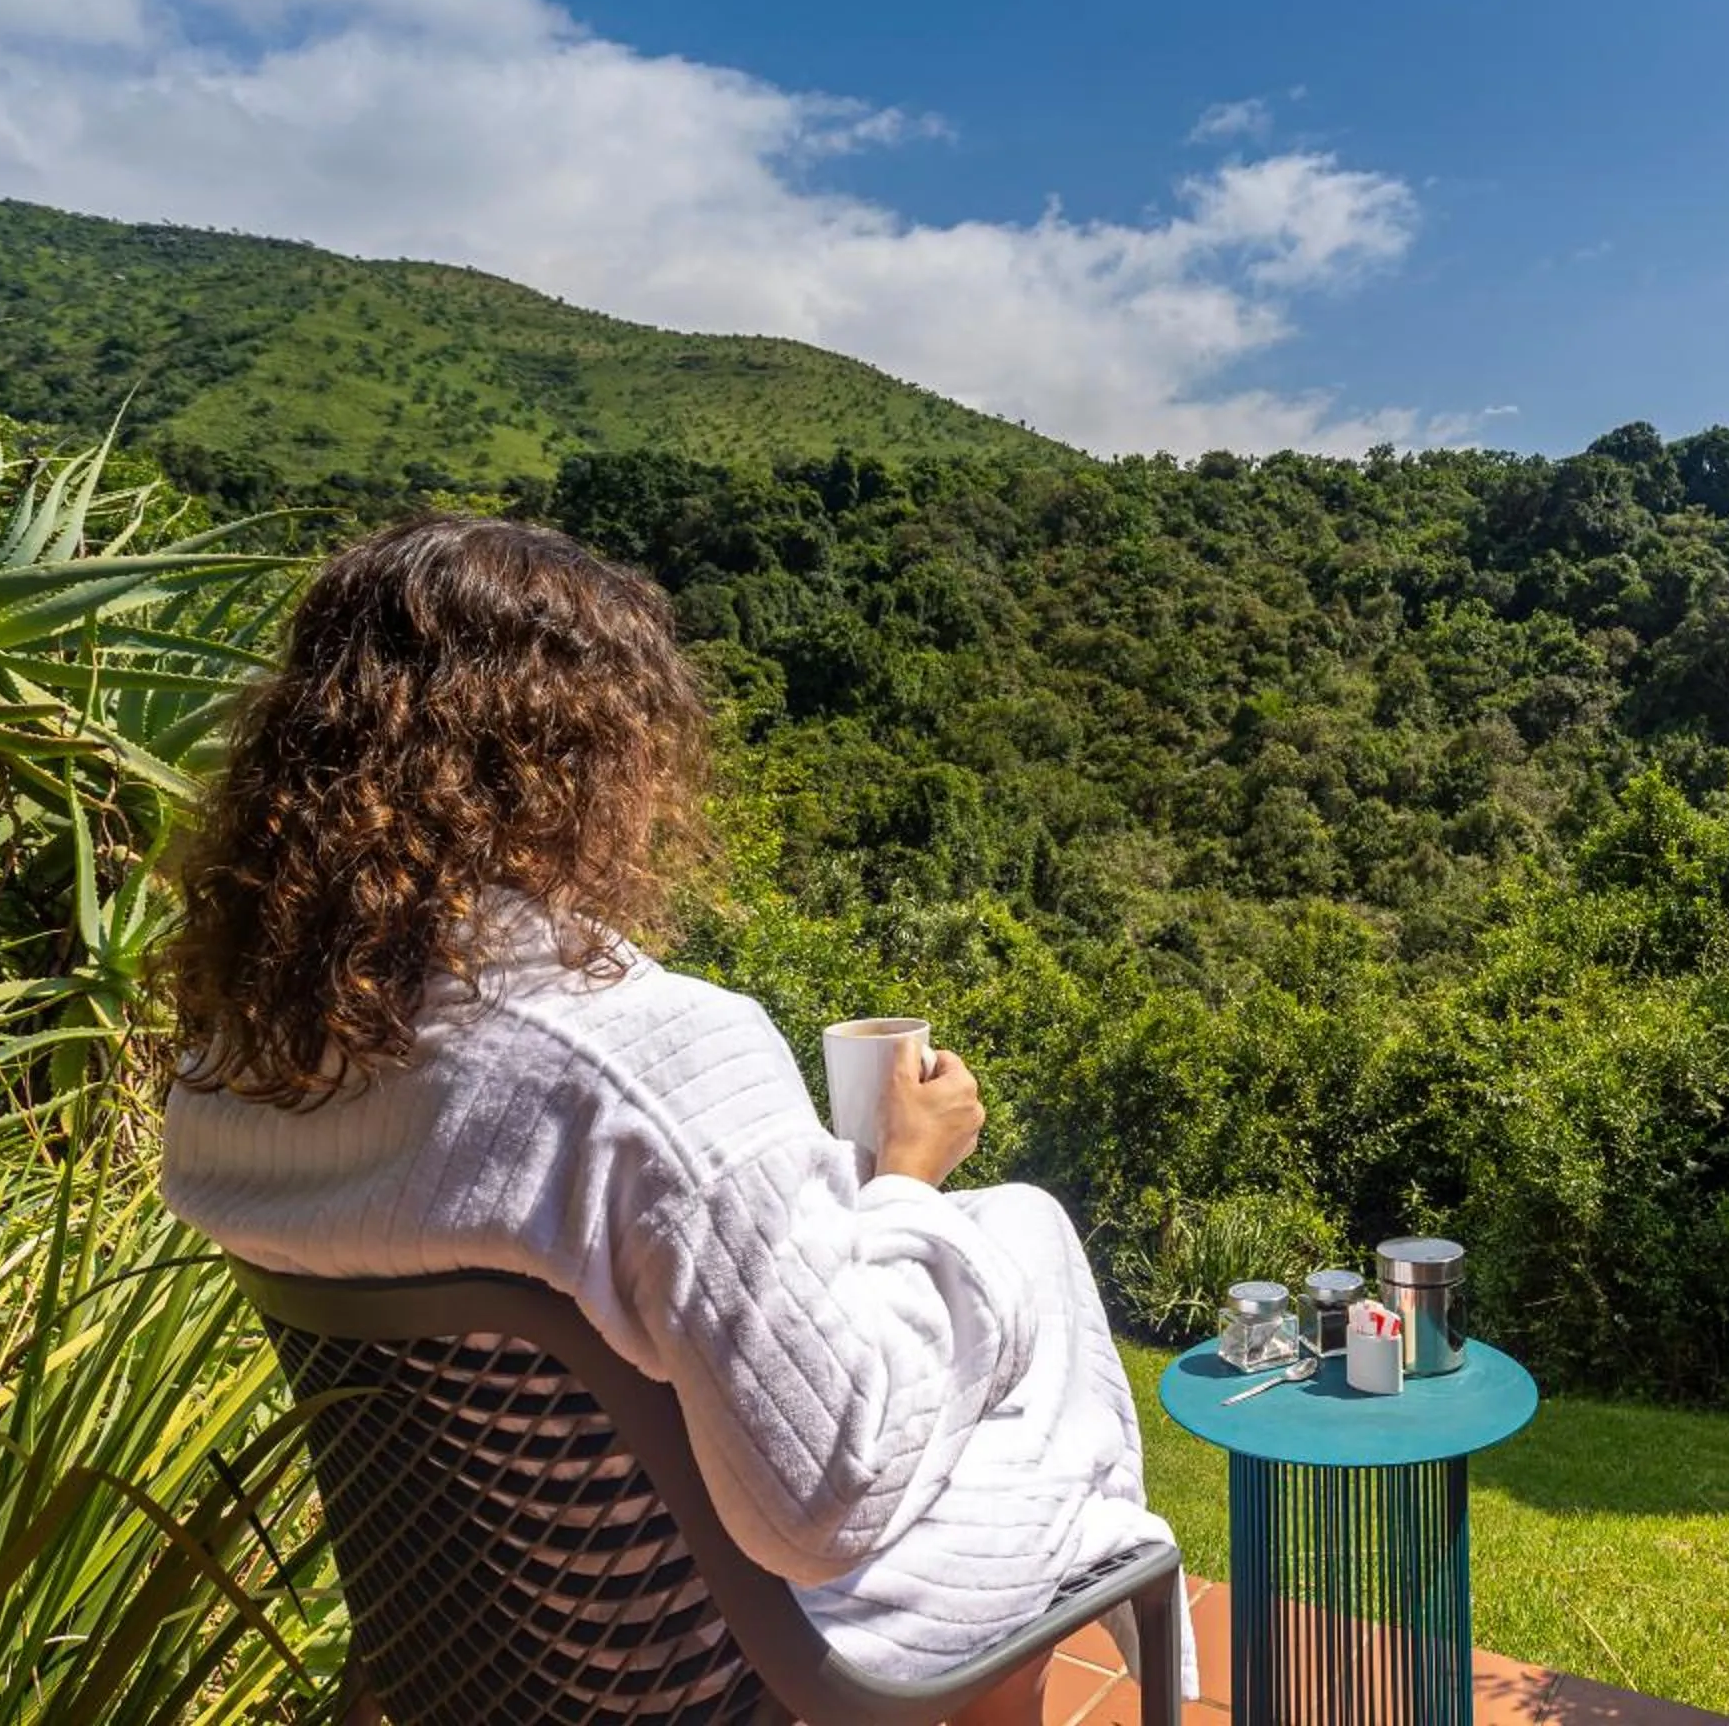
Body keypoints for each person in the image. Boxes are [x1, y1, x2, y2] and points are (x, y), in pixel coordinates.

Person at [160, 514, 1192, 1724]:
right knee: (1027, 1285)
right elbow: (822, 1497)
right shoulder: (645, 1061)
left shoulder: (238, 1069)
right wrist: (907, 1181)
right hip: (711, 1675)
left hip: (474, 1661)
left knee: (1010, 1241)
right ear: (580, 759)